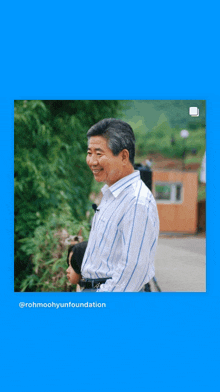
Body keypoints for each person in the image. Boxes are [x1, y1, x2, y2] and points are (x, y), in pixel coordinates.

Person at [79, 118, 159, 292]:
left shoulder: (136, 202)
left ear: (123, 156)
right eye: (89, 152)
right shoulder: (111, 195)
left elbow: (133, 270)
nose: (92, 161)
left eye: (99, 154)